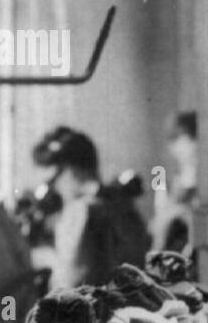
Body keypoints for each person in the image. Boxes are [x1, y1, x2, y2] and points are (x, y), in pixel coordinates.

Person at [31, 126, 149, 289]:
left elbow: (72, 282)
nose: (55, 189)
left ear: (73, 170)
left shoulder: (81, 210)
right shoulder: (121, 205)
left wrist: (47, 259)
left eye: (52, 180)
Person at [152, 111, 198, 256]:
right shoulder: (159, 172)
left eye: (190, 138)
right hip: (168, 245)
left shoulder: (204, 176)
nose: (180, 146)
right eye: (174, 139)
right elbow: (159, 214)